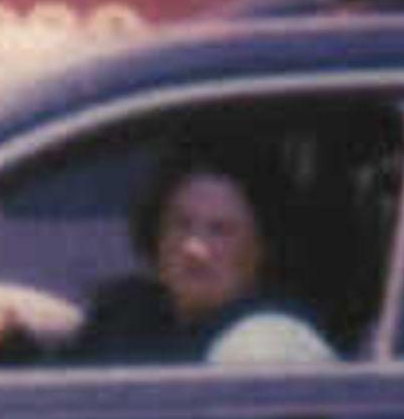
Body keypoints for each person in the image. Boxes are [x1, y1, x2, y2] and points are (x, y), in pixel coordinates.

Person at [72, 139, 337, 369]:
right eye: (182, 224)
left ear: (261, 247)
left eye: (221, 231)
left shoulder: (269, 345)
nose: (195, 249)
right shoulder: (127, 313)